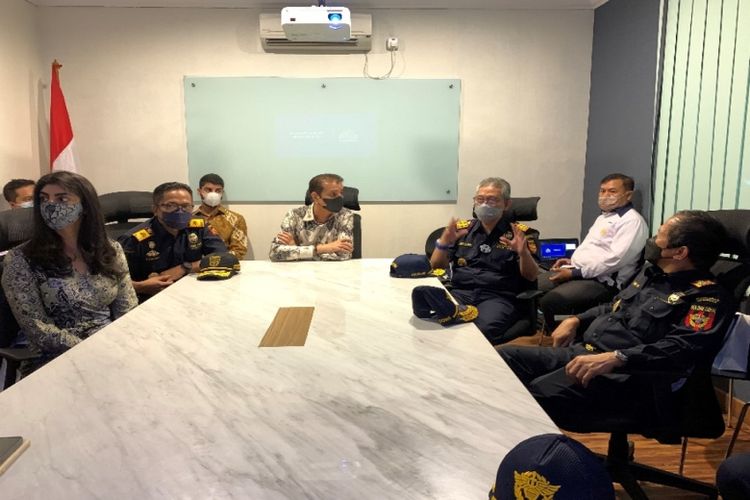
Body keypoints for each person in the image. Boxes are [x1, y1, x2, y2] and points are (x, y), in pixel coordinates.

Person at [498, 210, 733, 433]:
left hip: (630, 376)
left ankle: (547, 459)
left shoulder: (705, 296)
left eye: (659, 236)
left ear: (679, 252)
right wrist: (576, 319)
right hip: (586, 352)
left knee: (535, 395)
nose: (652, 241)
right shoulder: (652, 274)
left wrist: (618, 357)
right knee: (503, 359)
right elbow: (614, 305)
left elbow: (681, 348)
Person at [1, 171, 137, 372]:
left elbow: (127, 308)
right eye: (43, 199)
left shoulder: (110, 249)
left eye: (62, 199)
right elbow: (37, 328)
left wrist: (123, 345)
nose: (50, 205)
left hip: (111, 346)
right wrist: (93, 351)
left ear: (85, 206)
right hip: (56, 357)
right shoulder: (21, 259)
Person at [430, 177, 538, 344]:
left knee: (476, 334)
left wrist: (523, 253)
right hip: (461, 293)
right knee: (435, 324)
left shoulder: (521, 234)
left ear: (506, 204)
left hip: (497, 298)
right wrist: (443, 243)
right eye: (480, 199)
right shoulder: (463, 230)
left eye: (492, 200)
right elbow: (437, 265)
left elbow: (531, 276)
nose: (485, 204)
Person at [538, 173, 648, 330]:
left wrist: (574, 273)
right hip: (581, 272)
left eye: (612, 191)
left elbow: (614, 261)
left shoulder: (632, 222)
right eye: (602, 191)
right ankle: (550, 329)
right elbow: (595, 249)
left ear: (628, 195)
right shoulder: (603, 218)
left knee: (552, 301)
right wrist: (572, 261)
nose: (605, 195)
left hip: (604, 282)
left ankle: (567, 336)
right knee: (534, 284)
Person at [118, 182, 227, 300]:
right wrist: (142, 287)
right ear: (155, 209)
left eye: (186, 206)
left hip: (194, 294)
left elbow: (224, 258)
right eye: (171, 206)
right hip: (151, 299)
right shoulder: (133, 239)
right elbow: (113, 285)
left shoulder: (199, 226)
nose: (180, 211)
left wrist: (185, 268)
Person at [269, 173, 354, 261]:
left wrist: (296, 249)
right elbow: (275, 253)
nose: (340, 197)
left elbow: (344, 254)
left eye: (341, 193)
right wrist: (323, 249)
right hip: (300, 269)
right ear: (316, 197)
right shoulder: (294, 215)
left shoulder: (345, 215)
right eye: (333, 194)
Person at [193, 173, 248, 259]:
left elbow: (239, 251)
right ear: (199, 191)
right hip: (193, 266)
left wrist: (212, 261)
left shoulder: (236, 219)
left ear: (222, 193)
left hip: (224, 265)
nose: (213, 194)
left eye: (218, 190)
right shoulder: (189, 219)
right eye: (208, 190)